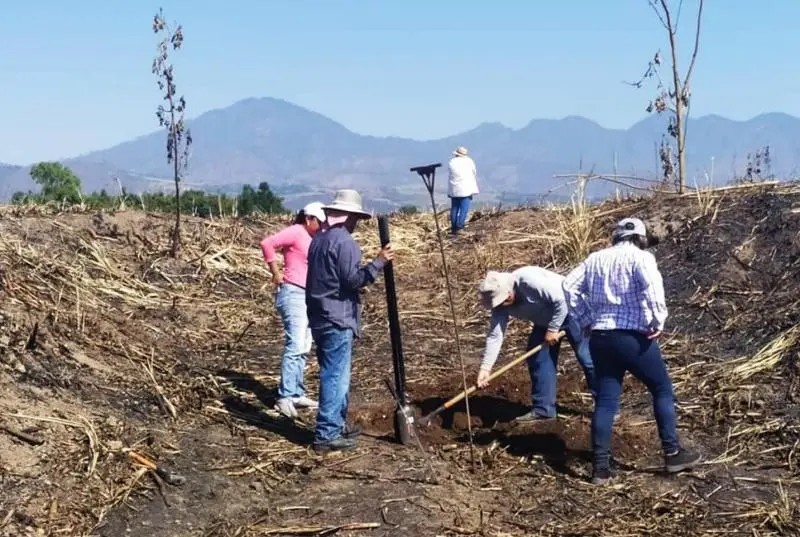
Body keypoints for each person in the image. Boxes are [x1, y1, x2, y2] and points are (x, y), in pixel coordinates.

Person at [562, 217, 700, 485]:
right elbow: (653, 290)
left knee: (605, 400)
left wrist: (586, 319)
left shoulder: (594, 258)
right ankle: (672, 453)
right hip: (632, 336)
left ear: (616, 236)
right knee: (660, 388)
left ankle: (600, 468)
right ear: (640, 237)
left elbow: (568, 285)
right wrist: (657, 322)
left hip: (600, 337)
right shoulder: (642, 258)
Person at [306, 189, 394, 453]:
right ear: (348, 217)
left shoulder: (318, 240)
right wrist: (378, 263)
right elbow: (354, 280)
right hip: (337, 317)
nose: (356, 224)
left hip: (320, 315)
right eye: (355, 218)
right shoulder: (344, 243)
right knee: (335, 377)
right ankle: (326, 434)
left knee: (334, 374)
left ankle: (335, 425)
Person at [477, 267, 595, 421]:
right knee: (539, 358)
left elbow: (562, 299)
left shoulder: (528, 281)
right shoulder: (500, 305)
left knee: (587, 357)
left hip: (572, 311)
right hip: (544, 320)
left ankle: (606, 408)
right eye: (500, 302)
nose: (504, 304)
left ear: (509, 288)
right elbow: (495, 335)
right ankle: (544, 410)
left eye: (505, 299)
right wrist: (486, 367)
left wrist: (553, 329)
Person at [260, 202, 328, 418]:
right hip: (294, 292)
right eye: (318, 221)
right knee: (296, 343)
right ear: (309, 218)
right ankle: (285, 396)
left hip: (307, 295)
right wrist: (276, 272)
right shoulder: (297, 232)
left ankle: (296, 392)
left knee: (304, 345)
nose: (321, 226)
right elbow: (267, 243)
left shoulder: (312, 238)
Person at [447, 146, 479, 236]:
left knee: (454, 208)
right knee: (464, 209)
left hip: (454, 189)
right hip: (466, 189)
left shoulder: (452, 162)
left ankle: (454, 228)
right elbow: (474, 172)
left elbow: (450, 173)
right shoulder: (469, 161)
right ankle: (460, 226)